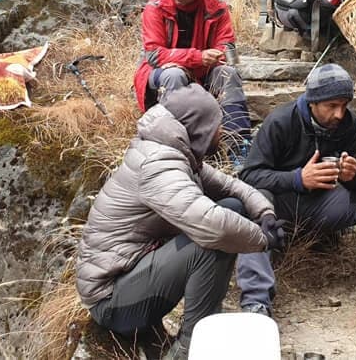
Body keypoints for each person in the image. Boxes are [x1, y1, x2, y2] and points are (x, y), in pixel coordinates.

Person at [76, 85, 285, 360]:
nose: (221, 132)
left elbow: (234, 188)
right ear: (199, 127)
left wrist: (265, 214)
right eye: (217, 125)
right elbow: (214, 227)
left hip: (132, 275)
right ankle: (189, 348)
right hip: (112, 299)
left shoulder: (178, 154)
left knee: (232, 207)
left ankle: (199, 331)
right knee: (210, 243)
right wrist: (263, 239)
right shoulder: (159, 164)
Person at [235, 64, 356, 326]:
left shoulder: (348, 124)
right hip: (280, 210)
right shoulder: (281, 121)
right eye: (332, 105)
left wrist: (353, 175)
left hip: (323, 207)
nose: (340, 113)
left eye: (344, 105)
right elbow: (249, 176)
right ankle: (256, 302)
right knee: (256, 200)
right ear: (312, 102)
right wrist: (297, 178)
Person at [132, 0, 249, 139]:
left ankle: (239, 145)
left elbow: (228, 47)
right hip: (158, 74)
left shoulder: (217, 8)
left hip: (202, 73)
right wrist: (198, 57)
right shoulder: (155, 7)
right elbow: (154, 55)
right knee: (174, 75)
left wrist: (218, 56)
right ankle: (177, 141)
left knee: (227, 73)